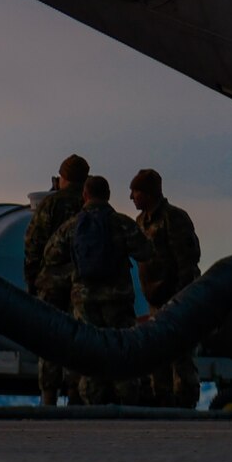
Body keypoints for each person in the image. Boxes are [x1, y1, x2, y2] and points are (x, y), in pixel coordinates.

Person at [45, 174, 155, 407]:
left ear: (85, 195)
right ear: (108, 196)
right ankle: (125, 400)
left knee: (90, 352)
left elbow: (50, 255)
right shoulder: (122, 223)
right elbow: (146, 252)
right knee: (122, 349)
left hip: (85, 300)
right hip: (118, 300)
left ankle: (92, 399)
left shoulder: (73, 225)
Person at [130, 167, 203, 409]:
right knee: (158, 354)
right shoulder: (140, 222)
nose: (132, 197)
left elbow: (187, 261)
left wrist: (181, 296)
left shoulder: (174, 219)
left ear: (148, 194)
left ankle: (185, 403)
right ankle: (161, 400)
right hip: (155, 300)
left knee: (180, 355)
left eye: (136, 192)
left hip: (179, 298)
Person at [22, 153, 89, 405]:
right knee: (79, 338)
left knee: (49, 340)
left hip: (50, 284)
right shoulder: (89, 205)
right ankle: (76, 393)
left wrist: (32, 281)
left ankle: (48, 397)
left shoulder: (50, 205)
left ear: (63, 177)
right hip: (83, 284)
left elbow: (33, 244)